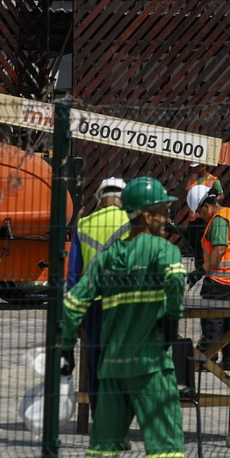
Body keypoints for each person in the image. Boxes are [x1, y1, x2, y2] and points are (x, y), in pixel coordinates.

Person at [60, 176, 187, 458]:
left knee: (102, 450)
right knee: (165, 450)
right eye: (163, 212)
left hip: (112, 369)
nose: (167, 219)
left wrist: (67, 348)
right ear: (146, 215)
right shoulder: (164, 251)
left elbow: (71, 303)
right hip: (150, 368)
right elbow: (177, 281)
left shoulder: (105, 259)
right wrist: (171, 321)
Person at [65, 176, 130, 411]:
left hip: (94, 307)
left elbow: (72, 276)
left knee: (96, 366)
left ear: (100, 198)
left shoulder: (83, 225)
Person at [188, 183, 230, 374]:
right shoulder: (229, 215)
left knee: (212, 319)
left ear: (206, 206)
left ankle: (204, 359)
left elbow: (219, 250)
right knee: (229, 321)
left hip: (223, 278)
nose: (200, 216)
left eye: (200, 212)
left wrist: (200, 272)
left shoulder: (218, 220)